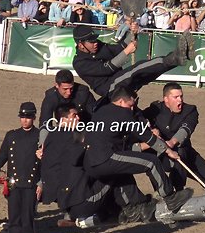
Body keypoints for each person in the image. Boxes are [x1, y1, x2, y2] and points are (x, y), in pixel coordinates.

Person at [83, 87, 194, 215]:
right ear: (120, 102)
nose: (132, 109)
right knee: (151, 162)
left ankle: (132, 207)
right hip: (106, 157)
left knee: (122, 174)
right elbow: (146, 136)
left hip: (90, 164)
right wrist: (168, 151)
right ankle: (170, 198)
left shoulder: (101, 111)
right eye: (130, 105)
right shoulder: (122, 113)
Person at [40, 103, 154, 223]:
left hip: (64, 198)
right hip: (79, 199)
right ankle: (134, 207)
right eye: (74, 116)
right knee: (114, 169)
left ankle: (114, 211)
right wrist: (145, 143)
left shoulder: (51, 136)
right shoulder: (73, 137)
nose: (78, 118)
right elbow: (107, 150)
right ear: (63, 120)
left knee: (102, 171)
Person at [142, 83, 205, 229]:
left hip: (185, 152)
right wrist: (150, 129)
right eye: (175, 97)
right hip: (162, 157)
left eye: (181, 96)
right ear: (166, 100)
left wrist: (171, 142)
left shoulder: (191, 110)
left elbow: (185, 130)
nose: (180, 100)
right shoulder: (155, 109)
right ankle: (177, 196)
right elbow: (138, 119)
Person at [72, 24, 195, 100]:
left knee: (148, 73)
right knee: (137, 68)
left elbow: (118, 48)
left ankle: (178, 58)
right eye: (91, 41)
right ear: (81, 45)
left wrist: (133, 33)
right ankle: (175, 57)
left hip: (119, 79)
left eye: (95, 39)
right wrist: (126, 52)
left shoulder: (98, 45)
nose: (95, 43)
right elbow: (106, 68)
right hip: (109, 88)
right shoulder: (79, 63)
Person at [0, 102, 41, 233]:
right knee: (13, 217)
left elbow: (46, 163)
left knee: (27, 217)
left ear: (33, 117)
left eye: (28, 117)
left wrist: (41, 183)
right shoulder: (11, 135)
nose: (25, 120)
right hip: (13, 185)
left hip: (30, 185)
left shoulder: (40, 136)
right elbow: (2, 156)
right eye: (22, 117)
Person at [39, 69, 95, 144]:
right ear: (56, 85)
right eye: (65, 89)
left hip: (84, 131)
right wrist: (42, 144)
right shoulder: (51, 97)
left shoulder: (83, 93)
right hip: (62, 131)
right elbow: (45, 121)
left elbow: (95, 115)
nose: (68, 92)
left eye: (71, 88)